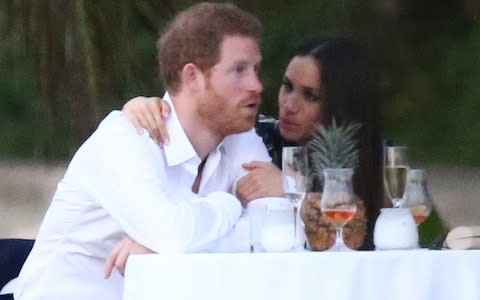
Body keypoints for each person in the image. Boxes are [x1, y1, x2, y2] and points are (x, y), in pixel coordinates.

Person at [14, 3, 270, 300]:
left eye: (256, 69)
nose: (256, 85)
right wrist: (230, 204)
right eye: (239, 70)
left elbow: (277, 230)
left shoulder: (239, 137)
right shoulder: (127, 137)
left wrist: (166, 245)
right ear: (192, 77)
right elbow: (172, 234)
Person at [123, 35, 383, 250]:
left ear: (341, 105)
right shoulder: (258, 136)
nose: (289, 104)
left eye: (310, 96)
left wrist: (287, 188)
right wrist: (143, 108)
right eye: (287, 86)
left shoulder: (373, 159)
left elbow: (362, 236)